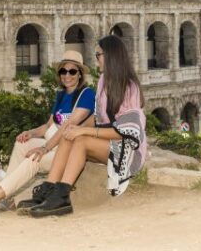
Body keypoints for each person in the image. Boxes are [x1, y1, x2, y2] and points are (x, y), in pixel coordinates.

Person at [24, 35, 146, 218]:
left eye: (98, 55)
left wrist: (83, 131)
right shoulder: (104, 80)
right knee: (70, 134)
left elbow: (125, 133)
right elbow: (97, 118)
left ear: (110, 56)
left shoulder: (129, 87)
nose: (96, 60)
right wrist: (75, 128)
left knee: (80, 140)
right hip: (108, 142)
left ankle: (62, 196)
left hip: (128, 148)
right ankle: (50, 188)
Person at [0, 49, 95, 213]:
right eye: (63, 71)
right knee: (22, 143)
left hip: (71, 149)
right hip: (55, 144)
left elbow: (69, 125)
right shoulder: (61, 95)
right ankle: (8, 198)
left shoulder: (86, 94)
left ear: (80, 74)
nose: (67, 75)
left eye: (72, 71)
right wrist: (31, 133)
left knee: (35, 157)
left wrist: (44, 148)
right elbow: (48, 126)